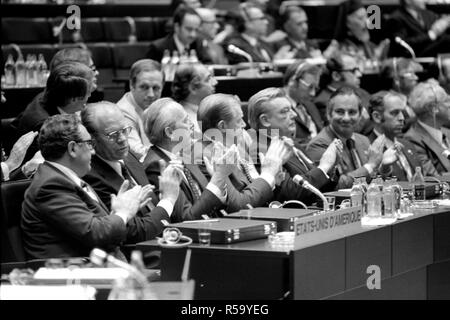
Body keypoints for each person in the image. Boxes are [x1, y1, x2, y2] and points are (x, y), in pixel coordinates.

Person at [21, 114, 149, 260]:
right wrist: (123, 213)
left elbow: (95, 228)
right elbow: (95, 233)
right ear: (73, 148)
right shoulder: (51, 185)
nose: (93, 151)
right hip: (73, 274)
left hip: (97, 267)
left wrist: (117, 211)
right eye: (89, 143)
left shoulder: (66, 177)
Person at [81, 102, 181, 243]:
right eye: (113, 135)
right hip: (142, 253)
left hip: (167, 239)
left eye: (124, 130)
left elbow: (157, 212)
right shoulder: (91, 176)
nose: (122, 139)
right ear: (92, 139)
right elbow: (135, 232)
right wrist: (168, 199)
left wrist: (166, 192)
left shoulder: (129, 157)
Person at [142, 98, 234, 220]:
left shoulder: (184, 155)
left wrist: (217, 178)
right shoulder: (156, 165)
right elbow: (186, 218)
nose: (192, 125)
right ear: (170, 133)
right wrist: (218, 178)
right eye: (186, 121)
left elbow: (207, 199)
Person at [247, 87, 341, 203]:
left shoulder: (291, 143)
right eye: (284, 111)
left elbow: (317, 189)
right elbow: (290, 193)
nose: (295, 115)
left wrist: (330, 169)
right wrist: (324, 166)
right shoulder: (258, 150)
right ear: (265, 120)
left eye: (291, 109)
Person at [197, 93, 290, 208]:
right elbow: (239, 205)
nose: (244, 124)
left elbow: (256, 193)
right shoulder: (207, 155)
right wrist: (267, 175)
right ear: (222, 126)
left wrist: (273, 181)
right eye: (239, 120)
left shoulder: (236, 147)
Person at [307, 86, 396, 189]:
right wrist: (370, 166)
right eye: (340, 112)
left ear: (360, 115)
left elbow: (371, 183)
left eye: (352, 112)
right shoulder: (319, 144)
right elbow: (332, 186)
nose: (346, 118)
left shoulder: (363, 140)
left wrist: (384, 169)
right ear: (328, 114)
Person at [368, 91, 422, 181]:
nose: (402, 118)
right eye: (394, 113)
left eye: (402, 112)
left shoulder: (408, 145)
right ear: (377, 117)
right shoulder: (368, 148)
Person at [116, 59, 164, 160]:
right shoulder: (123, 112)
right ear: (131, 85)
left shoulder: (161, 107)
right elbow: (138, 153)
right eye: (144, 87)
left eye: (156, 88)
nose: (151, 95)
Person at [315, 52, 372, 134]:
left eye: (358, 69)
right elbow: (343, 133)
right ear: (336, 76)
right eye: (353, 71)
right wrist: (365, 118)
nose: (359, 74)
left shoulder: (362, 92)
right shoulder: (323, 102)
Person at [404, 82, 450, 176]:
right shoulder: (412, 139)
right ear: (433, 108)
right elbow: (431, 178)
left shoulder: (447, 132)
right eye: (447, 100)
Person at [147, 6, 212, 64]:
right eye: (189, 29)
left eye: (196, 30)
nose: (193, 34)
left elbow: (209, 65)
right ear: (177, 27)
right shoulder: (158, 48)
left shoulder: (199, 43)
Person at [283, 61, 324, 147]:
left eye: (315, 88)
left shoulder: (310, 105)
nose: (313, 93)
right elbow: (267, 143)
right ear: (292, 81)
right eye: (310, 87)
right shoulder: (273, 106)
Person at [171, 63, 217, 137]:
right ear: (193, 88)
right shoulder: (184, 122)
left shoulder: (211, 110)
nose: (215, 82)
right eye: (208, 79)